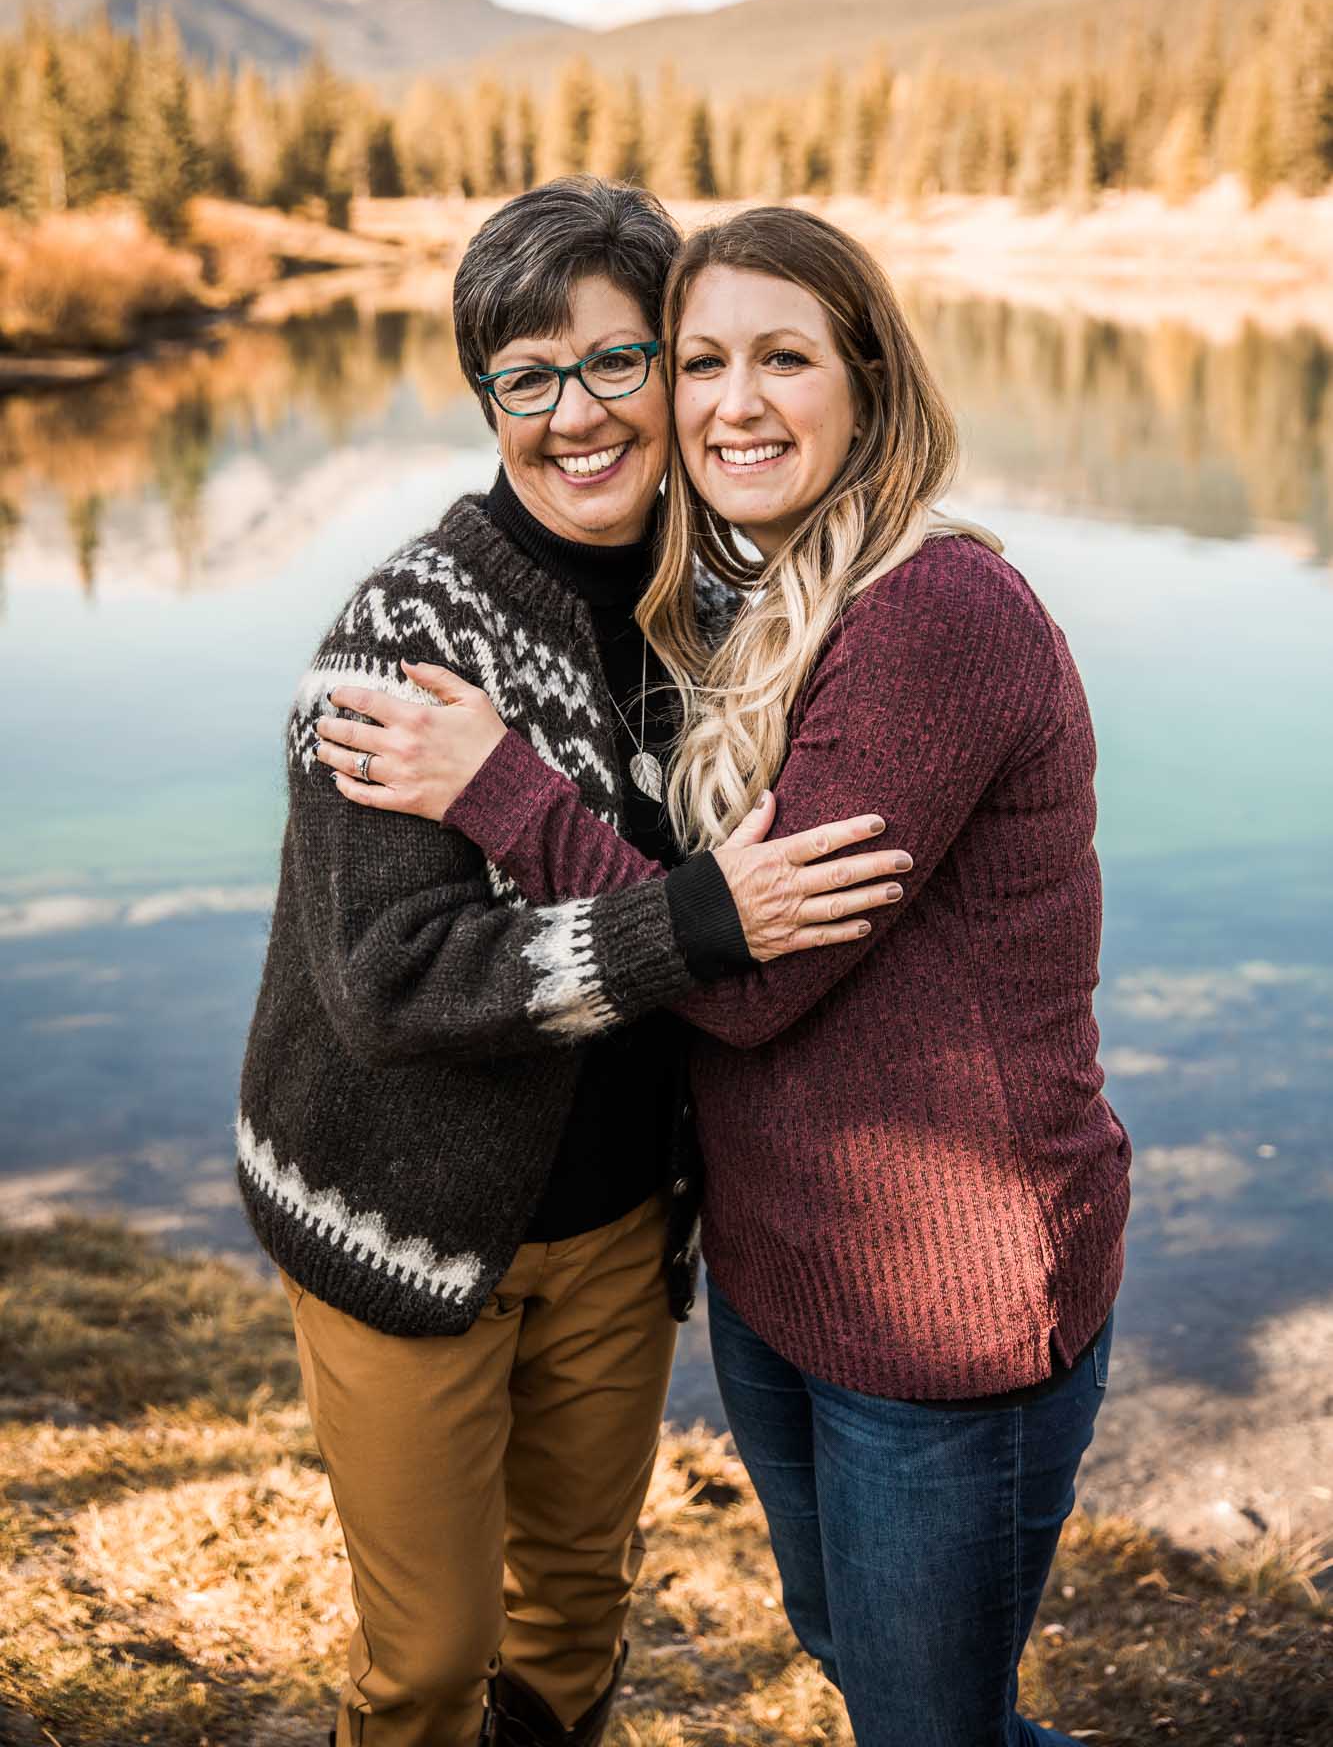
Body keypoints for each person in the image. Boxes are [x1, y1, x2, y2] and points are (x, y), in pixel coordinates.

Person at [326, 206, 1133, 1747]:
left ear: (871, 383)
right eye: (699, 361)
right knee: (851, 1653)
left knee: (919, 1720)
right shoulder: (750, 608)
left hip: (942, 1298)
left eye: (780, 357)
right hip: (786, 1273)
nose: (728, 402)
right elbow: (431, 963)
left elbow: (752, 977)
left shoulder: (931, 616)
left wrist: (503, 786)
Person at [239, 179, 909, 1747]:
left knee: (574, 1615)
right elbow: (388, 981)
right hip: (401, 1219)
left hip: (619, 1222)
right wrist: (691, 920)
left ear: (677, 370)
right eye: (527, 378)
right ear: (486, 399)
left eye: (618, 363)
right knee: (426, 1661)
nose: (579, 415)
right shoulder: (402, 632)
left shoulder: (731, 608)